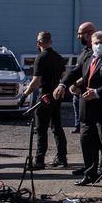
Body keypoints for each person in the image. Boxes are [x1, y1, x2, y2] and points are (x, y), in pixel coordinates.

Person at [62, 31, 102, 191]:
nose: (98, 45)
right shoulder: (88, 58)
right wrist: (64, 85)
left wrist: (96, 93)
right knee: (87, 142)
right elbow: (75, 73)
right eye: (96, 43)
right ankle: (90, 173)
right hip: (87, 110)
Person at [21, 31, 68, 169]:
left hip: (44, 96)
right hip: (56, 95)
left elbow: (36, 81)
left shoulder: (41, 58)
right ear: (51, 42)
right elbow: (63, 76)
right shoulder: (59, 57)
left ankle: (39, 160)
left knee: (41, 129)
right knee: (57, 127)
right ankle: (61, 157)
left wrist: (24, 95)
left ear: (38, 43)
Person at [54, 22, 96, 166]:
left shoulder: (98, 53)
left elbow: (92, 74)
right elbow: (76, 71)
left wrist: (78, 83)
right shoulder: (85, 52)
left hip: (97, 103)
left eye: (80, 34)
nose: (79, 37)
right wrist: (63, 84)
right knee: (85, 137)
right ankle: (88, 167)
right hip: (84, 102)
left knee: (98, 140)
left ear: (89, 34)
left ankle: (101, 169)